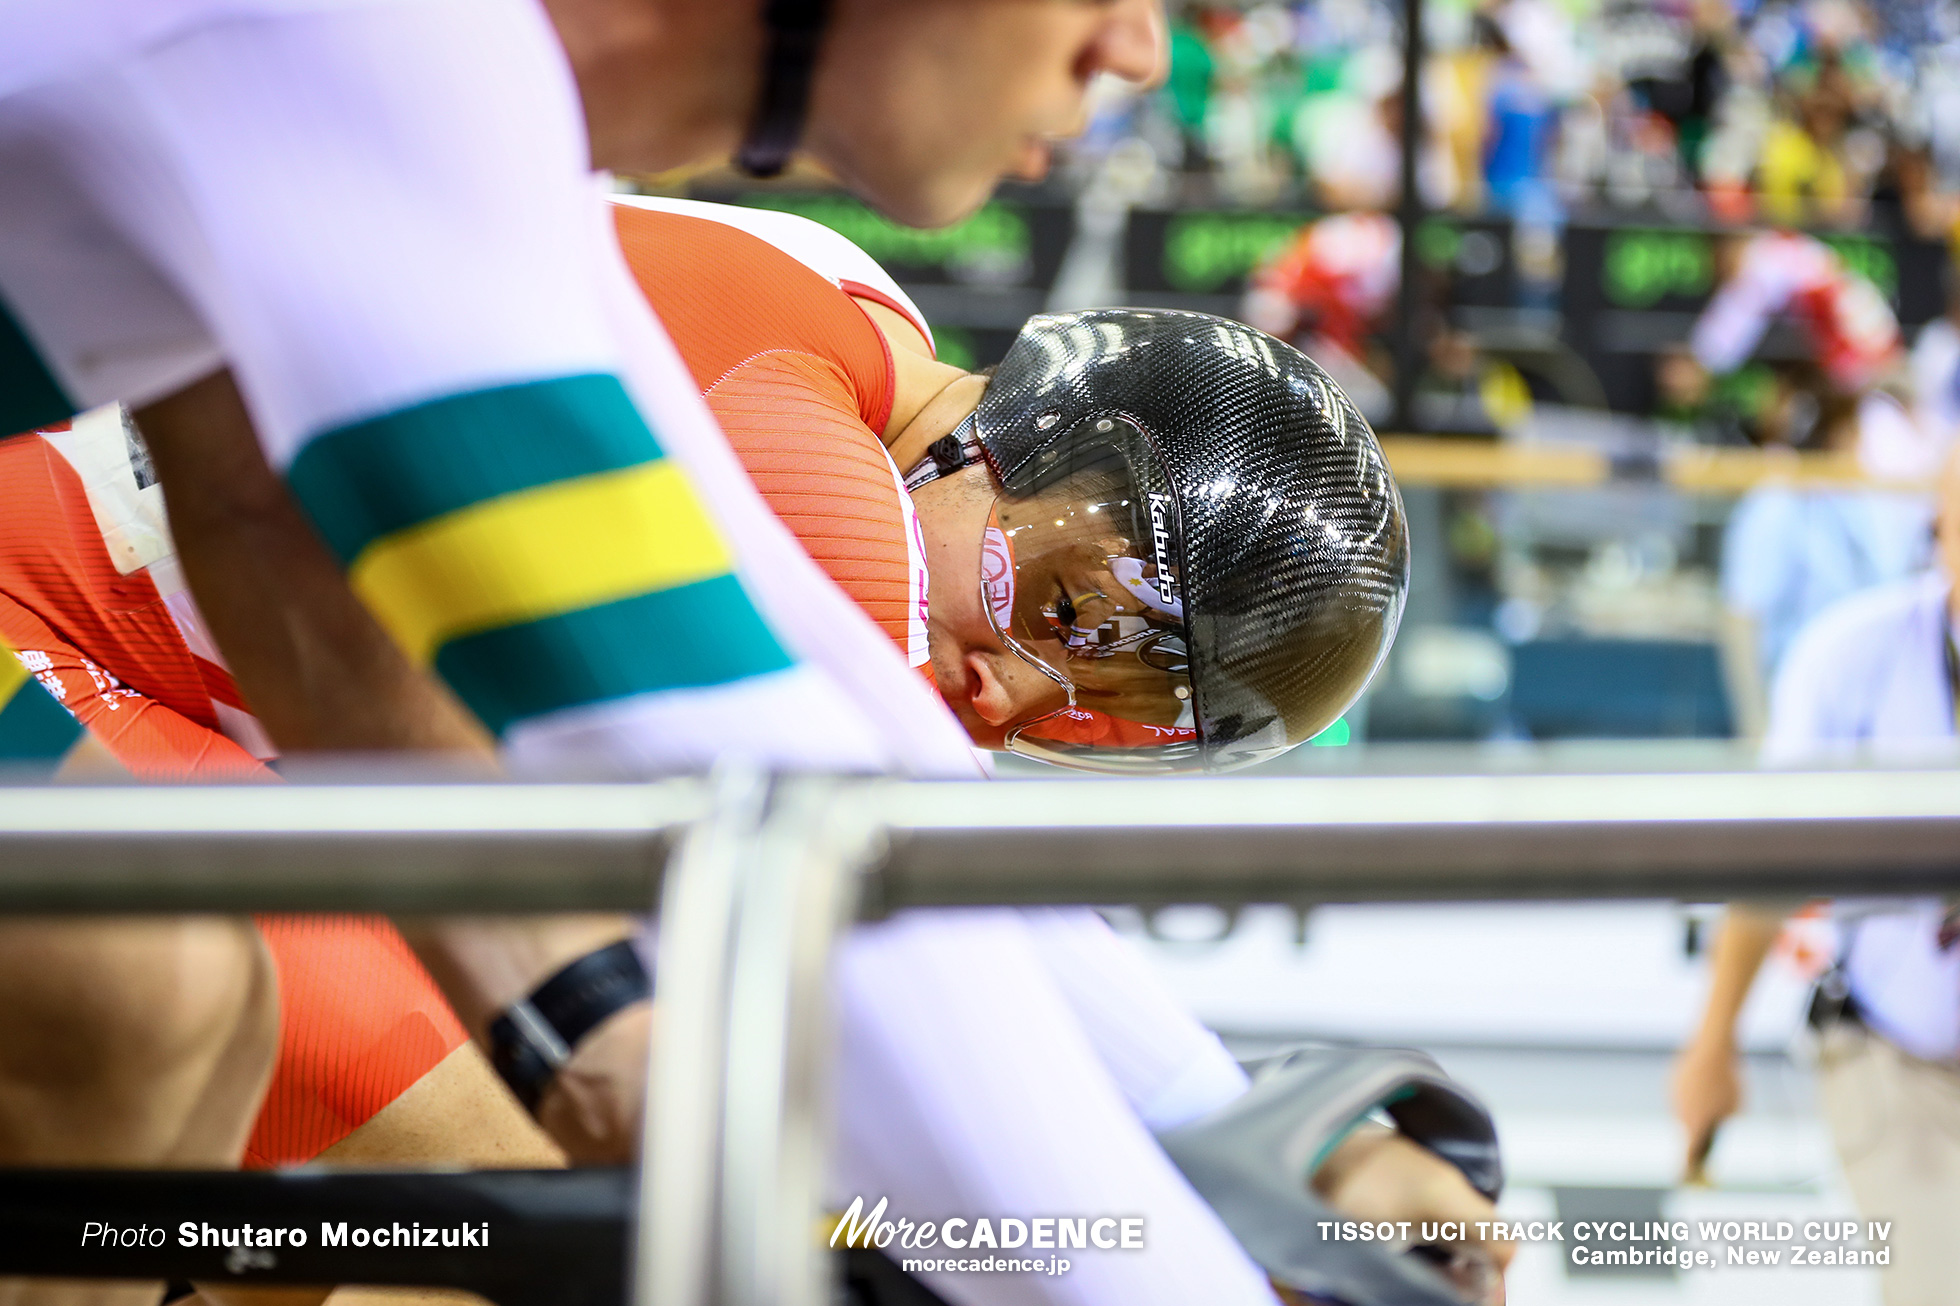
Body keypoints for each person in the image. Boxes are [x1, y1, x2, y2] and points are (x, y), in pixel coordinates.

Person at [4, 200, 1503, 1306]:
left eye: (1094, 719)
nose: (1007, 696)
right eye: (1060, 607)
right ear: (1023, 431)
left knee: (429, 1200)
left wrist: (1254, 1147)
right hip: (56, 616)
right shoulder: (817, 460)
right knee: (508, 1181)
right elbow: (947, 927)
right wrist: (1255, 1162)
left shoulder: (844, 316)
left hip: (164, 664)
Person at [0, 0, 1169, 1264]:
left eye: (1092, 704)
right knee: (157, 1001)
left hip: (91, 598)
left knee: (226, 1054)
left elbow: (263, 533)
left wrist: (574, 1034)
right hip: (61, 600)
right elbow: (786, 783)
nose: (1143, 50)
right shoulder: (389, 51)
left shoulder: (491, 88)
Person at [1671, 448, 1960, 1306]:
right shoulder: (1855, 654)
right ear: (1939, 524)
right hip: (1898, 1051)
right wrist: (1713, 1043)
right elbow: (1770, 865)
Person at [1682, 229, 1931, 717]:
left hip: (1866, 376)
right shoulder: (1803, 262)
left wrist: (1699, 364)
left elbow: (1736, 318)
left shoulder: (1769, 259)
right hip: (1869, 376)